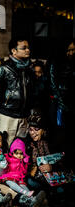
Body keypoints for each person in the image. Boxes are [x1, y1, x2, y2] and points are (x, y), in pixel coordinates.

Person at [26, 113, 74, 207]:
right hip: (43, 178)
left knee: (61, 191)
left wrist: (52, 167)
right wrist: (33, 168)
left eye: (37, 129)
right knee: (30, 181)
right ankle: (46, 196)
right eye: (31, 129)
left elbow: (67, 160)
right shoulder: (30, 144)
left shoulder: (54, 141)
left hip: (60, 176)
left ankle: (47, 196)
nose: (33, 133)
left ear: (43, 129)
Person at [0, 38, 35, 146]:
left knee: (19, 148)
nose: (27, 50)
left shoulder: (29, 69)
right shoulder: (4, 68)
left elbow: (32, 91)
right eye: (23, 48)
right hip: (7, 114)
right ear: (13, 51)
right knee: (5, 145)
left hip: (24, 115)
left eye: (28, 48)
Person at [48, 39, 74, 170]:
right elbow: (53, 84)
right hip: (60, 105)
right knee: (60, 134)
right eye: (68, 50)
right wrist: (61, 101)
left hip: (69, 103)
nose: (71, 53)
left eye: (73, 50)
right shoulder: (57, 63)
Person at [0, 137, 46, 207]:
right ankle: (25, 193)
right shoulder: (9, 158)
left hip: (19, 179)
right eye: (16, 153)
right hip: (9, 177)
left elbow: (24, 172)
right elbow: (3, 166)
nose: (19, 156)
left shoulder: (23, 162)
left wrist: (25, 163)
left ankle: (34, 199)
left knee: (23, 185)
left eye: (21, 154)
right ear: (12, 152)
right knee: (10, 182)